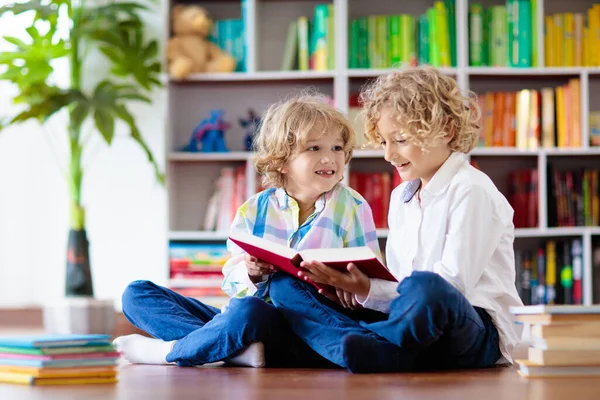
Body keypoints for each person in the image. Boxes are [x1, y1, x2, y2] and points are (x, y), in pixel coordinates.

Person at [268, 66, 524, 373]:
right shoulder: (402, 197)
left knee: (427, 286)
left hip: (472, 331)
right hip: (409, 324)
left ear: (446, 130)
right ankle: (368, 346)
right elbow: (398, 292)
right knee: (285, 286)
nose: (389, 155)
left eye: (400, 140)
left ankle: (369, 347)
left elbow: (451, 288)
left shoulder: (471, 189)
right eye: (384, 142)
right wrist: (361, 287)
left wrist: (375, 291)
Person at [113, 92, 381, 369]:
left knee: (252, 310)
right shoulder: (253, 210)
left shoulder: (353, 206)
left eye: (337, 148)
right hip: (248, 317)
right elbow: (233, 283)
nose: (329, 158)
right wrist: (251, 272)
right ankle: (235, 350)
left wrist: (345, 283)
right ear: (282, 161)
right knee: (136, 294)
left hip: (308, 329)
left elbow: (366, 277)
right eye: (314, 149)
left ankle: (174, 352)